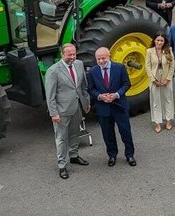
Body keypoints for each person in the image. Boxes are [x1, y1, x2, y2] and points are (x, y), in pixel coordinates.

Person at [44, 43, 90, 179]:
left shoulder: (79, 64)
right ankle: (62, 165)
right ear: (62, 54)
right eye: (69, 55)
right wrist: (54, 113)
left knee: (75, 133)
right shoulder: (53, 71)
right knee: (61, 138)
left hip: (77, 107)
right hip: (62, 111)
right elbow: (50, 95)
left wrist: (86, 103)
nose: (72, 57)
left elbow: (83, 86)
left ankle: (74, 156)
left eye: (74, 54)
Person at [87, 47, 136, 167]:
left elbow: (126, 84)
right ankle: (112, 155)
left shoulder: (119, 68)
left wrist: (116, 95)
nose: (101, 61)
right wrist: (100, 96)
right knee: (107, 134)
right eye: (98, 59)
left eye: (103, 58)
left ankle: (129, 155)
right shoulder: (92, 71)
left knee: (125, 132)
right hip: (103, 108)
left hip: (119, 106)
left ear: (109, 56)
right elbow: (90, 89)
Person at [145, 32, 175, 133]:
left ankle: (168, 120)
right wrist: (153, 80)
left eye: (161, 40)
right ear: (154, 40)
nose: (159, 42)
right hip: (155, 79)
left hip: (166, 78)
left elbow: (172, 66)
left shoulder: (168, 50)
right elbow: (148, 67)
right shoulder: (149, 51)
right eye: (157, 40)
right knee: (156, 101)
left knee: (168, 99)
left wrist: (168, 79)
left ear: (164, 41)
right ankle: (157, 122)